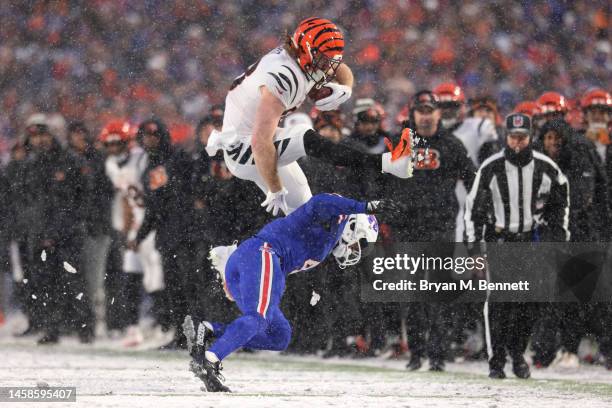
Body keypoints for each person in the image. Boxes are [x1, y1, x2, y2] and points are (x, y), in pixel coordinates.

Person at [182, 193, 399, 392]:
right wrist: (363, 206)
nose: (356, 250)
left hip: (253, 260)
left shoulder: (329, 238)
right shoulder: (335, 219)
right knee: (258, 318)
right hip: (262, 254)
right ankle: (210, 360)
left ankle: (209, 330)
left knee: (279, 335)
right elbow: (320, 202)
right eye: (360, 243)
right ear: (354, 227)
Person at [205, 17, 414, 216]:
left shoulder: (301, 57)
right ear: (306, 51)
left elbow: (340, 68)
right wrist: (275, 188)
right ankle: (387, 163)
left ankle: (308, 252)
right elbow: (260, 143)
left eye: (329, 61)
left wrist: (346, 88)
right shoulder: (283, 78)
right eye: (324, 60)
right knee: (304, 136)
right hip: (244, 149)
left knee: (305, 213)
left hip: (257, 139)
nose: (327, 67)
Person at [464, 113, 570, 379]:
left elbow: (560, 206)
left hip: (531, 241)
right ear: (506, 136)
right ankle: (496, 360)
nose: (518, 143)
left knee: (529, 303)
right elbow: (473, 211)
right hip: (500, 240)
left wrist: (555, 243)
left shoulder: (547, 168)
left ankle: (517, 353)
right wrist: (475, 251)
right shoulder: (491, 167)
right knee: (500, 302)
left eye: (522, 138)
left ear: (530, 137)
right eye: (513, 137)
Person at [386, 90, 476, 372]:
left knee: (438, 293)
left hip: (441, 228)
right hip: (410, 230)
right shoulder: (401, 143)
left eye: (430, 110)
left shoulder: (451, 144)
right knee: (413, 295)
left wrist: (472, 216)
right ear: (413, 113)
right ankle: (416, 353)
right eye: (420, 110)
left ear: (439, 113)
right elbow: (384, 179)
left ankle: (438, 354)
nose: (425, 115)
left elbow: (472, 180)